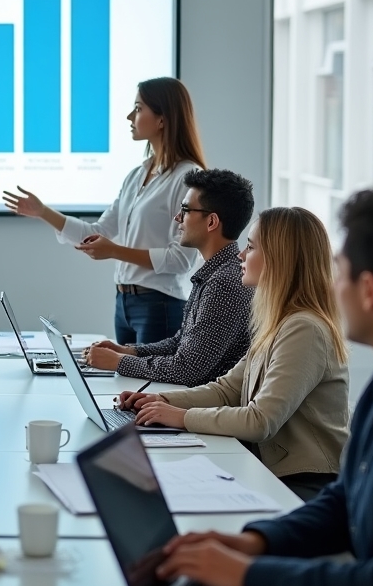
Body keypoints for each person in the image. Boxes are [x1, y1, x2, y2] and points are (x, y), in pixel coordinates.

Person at [155, 184, 373, 586]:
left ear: (370, 290)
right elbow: (344, 501)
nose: (333, 283)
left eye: (341, 270)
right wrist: (255, 542)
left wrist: (249, 576)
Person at [126, 206, 349, 501]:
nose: (241, 256)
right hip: (270, 468)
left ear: (279, 259)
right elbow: (227, 390)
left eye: (251, 247)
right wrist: (161, 400)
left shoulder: (304, 329)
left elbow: (260, 421)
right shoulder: (280, 321)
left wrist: (180, 416)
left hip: (307, 483)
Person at [3, 77, 206, 344]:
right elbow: (97, 232)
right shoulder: (137, 175)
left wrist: (114, 251)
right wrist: (43, 211)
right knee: (124, 385)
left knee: (150, 386)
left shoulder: (188, 177)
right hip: (124, 305)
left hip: (160, 306)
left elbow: (181, 260)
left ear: (162, 119)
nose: (129, 116)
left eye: (138, 108)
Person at [85, 168, 255, 386]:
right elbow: (180, 343)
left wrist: (119, 362)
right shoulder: (215, 272)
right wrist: (130, 351)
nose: (177, 218)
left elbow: (186, 370)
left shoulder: (224, 283)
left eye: (185, 210)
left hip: (204, 408)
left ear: (211, 222)